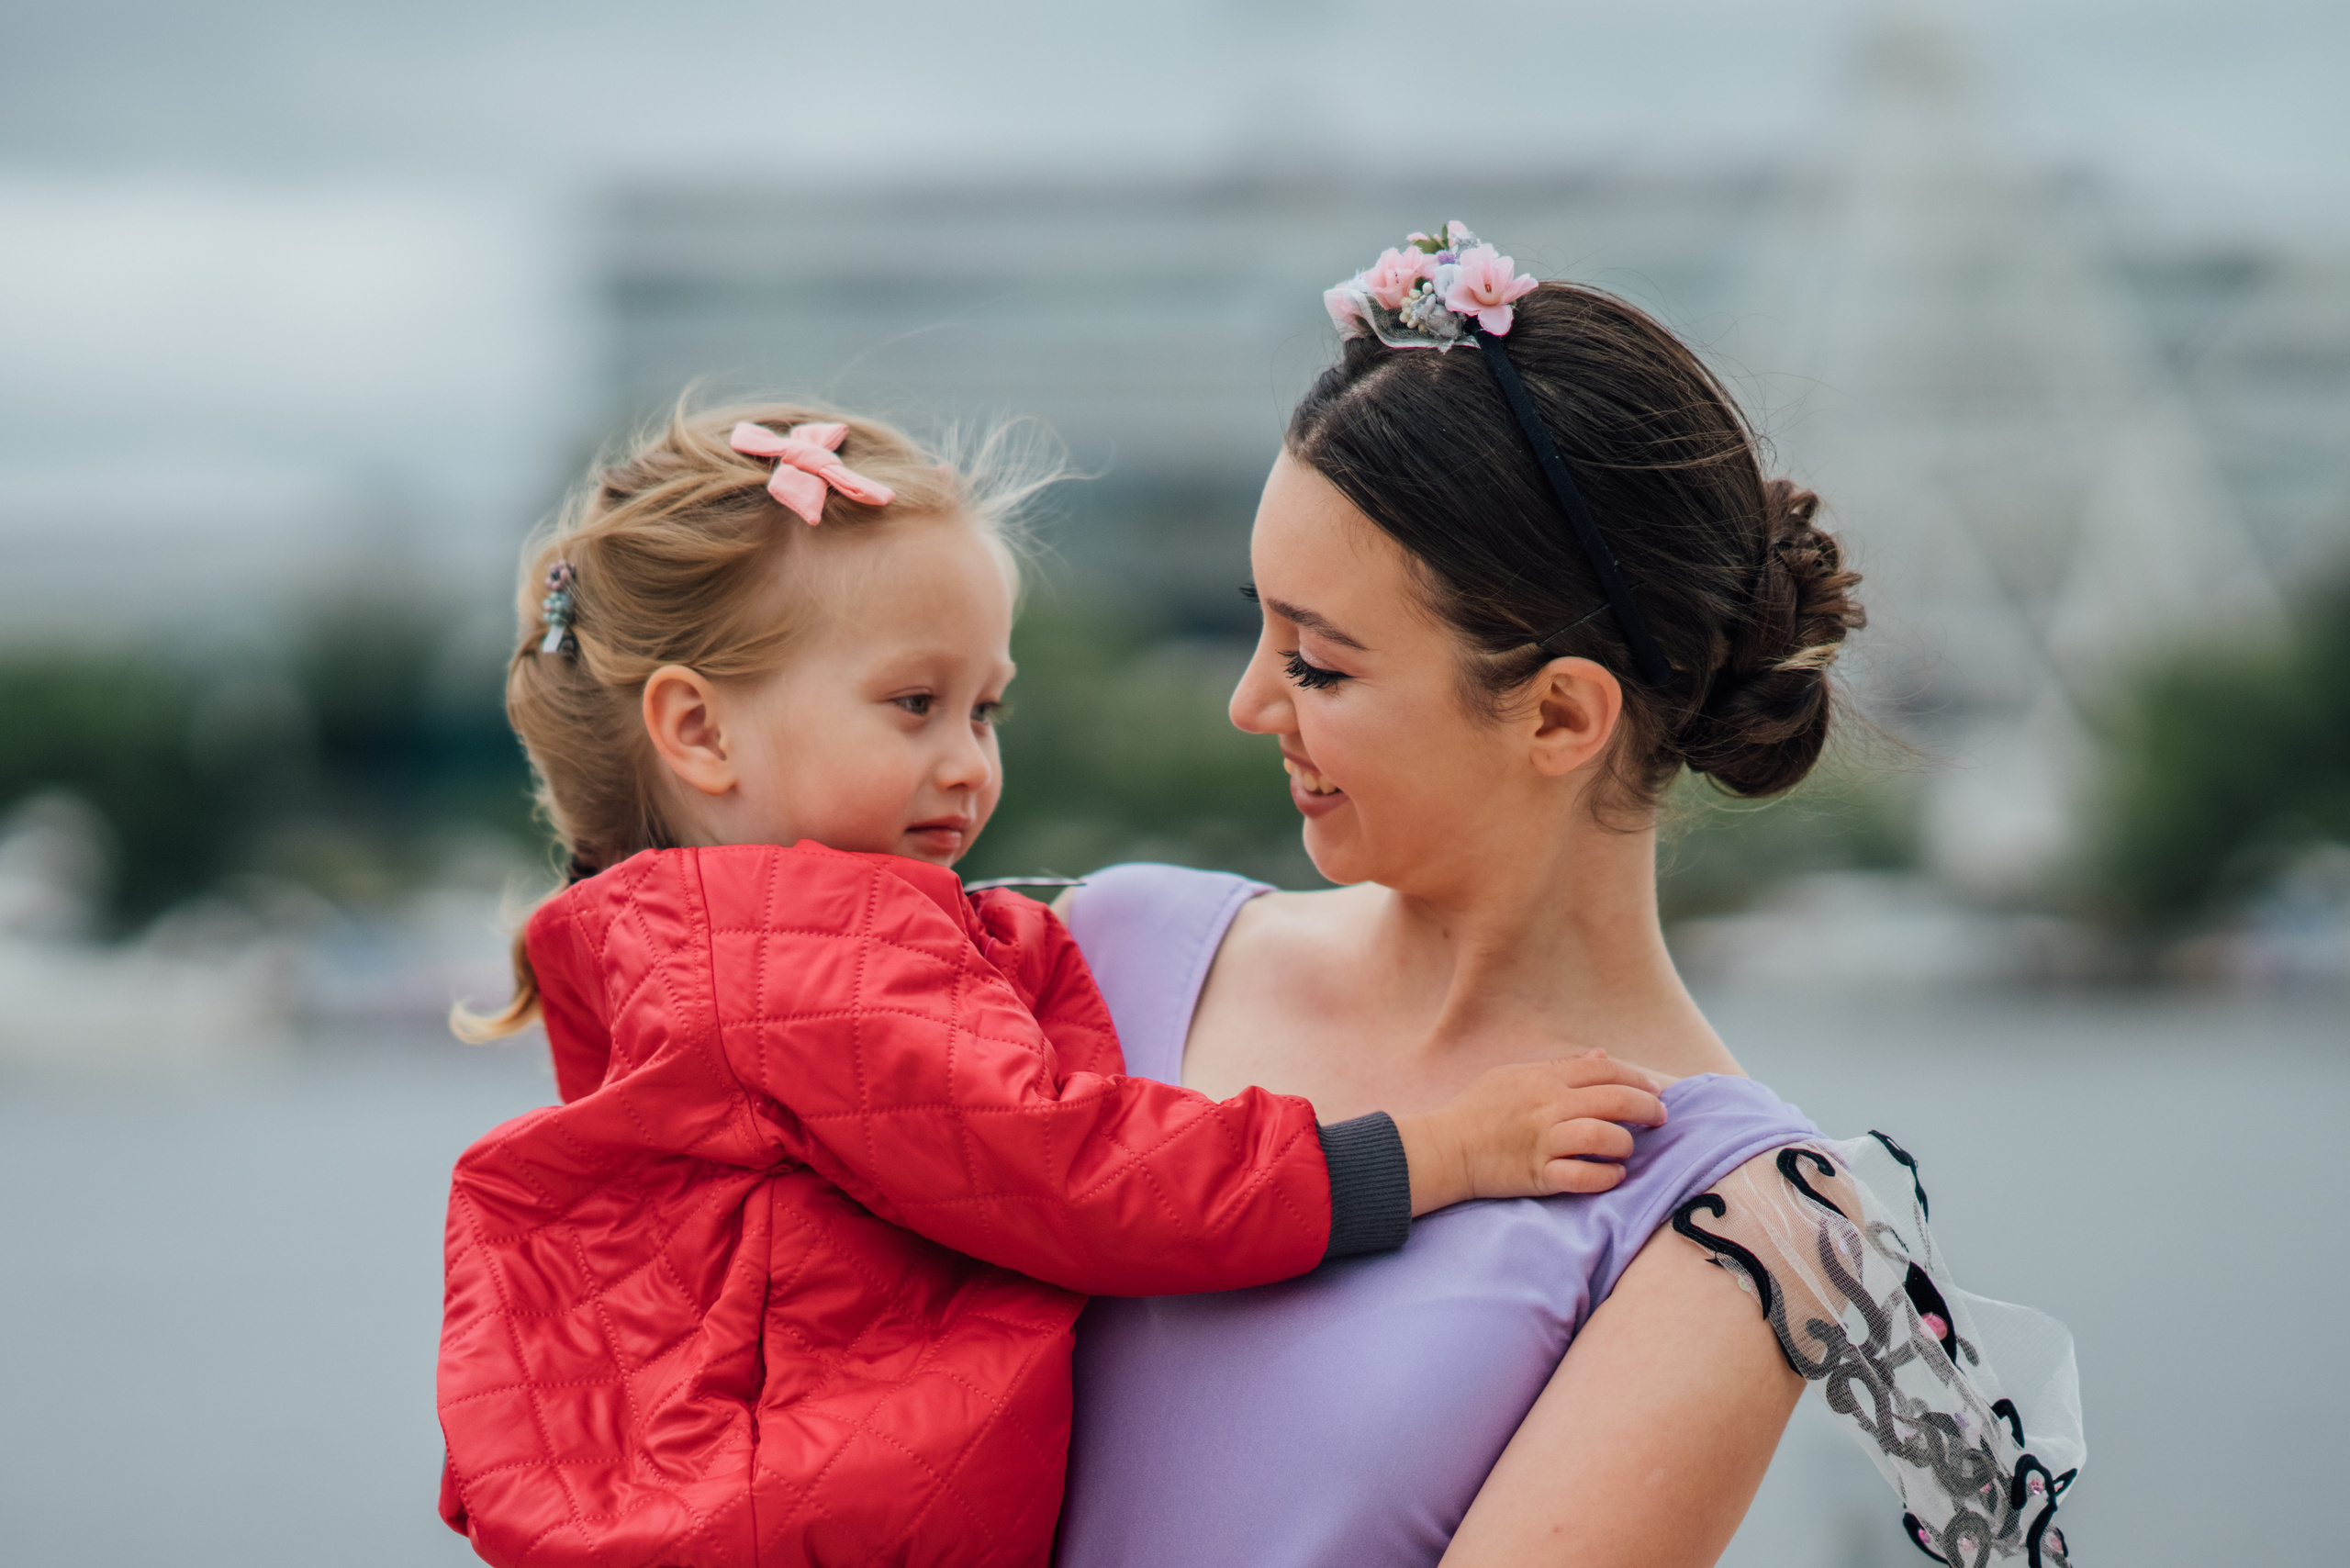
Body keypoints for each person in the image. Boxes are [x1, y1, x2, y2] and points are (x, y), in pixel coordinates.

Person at [432, 403, 1679, 1568]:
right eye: (914, 704)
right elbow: (1070, 1168)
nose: (967, 763)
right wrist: (1435, 1153)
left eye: (984, 710)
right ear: (700, 732)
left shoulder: (688, 951)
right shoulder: (800, 966)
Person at [1054, 227, 2082, 1568]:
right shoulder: (1103, 948)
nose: (1249, 703)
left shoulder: (1728, 1214)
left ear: (1557, 716)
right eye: (1262, 625)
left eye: (1319, 664)